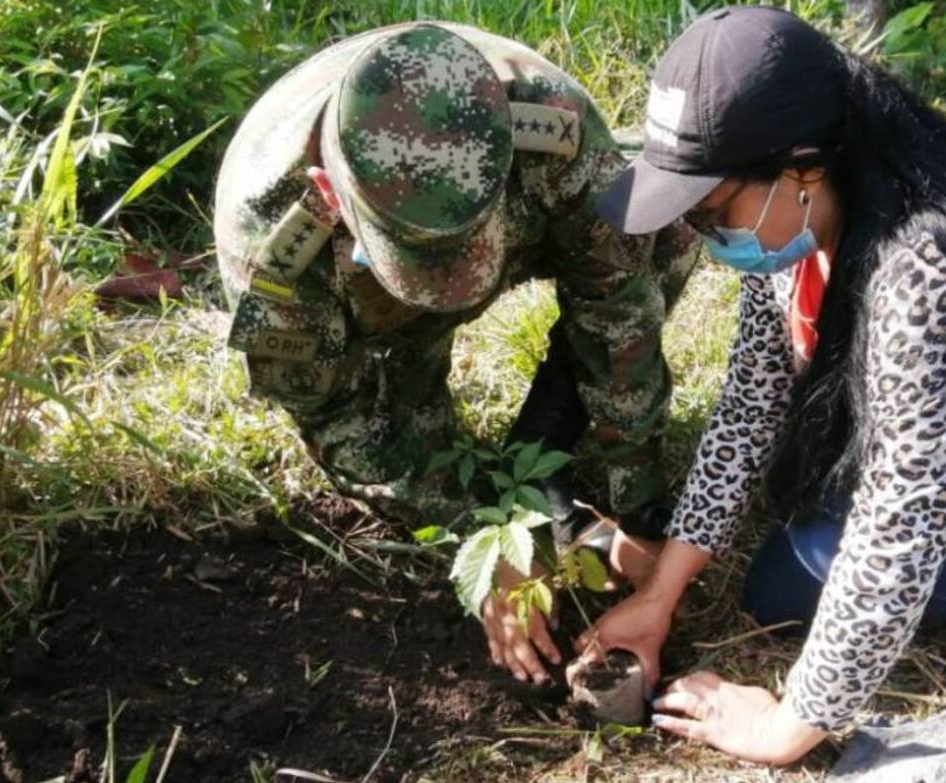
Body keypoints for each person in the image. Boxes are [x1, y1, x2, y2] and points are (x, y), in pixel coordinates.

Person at [573, 6, 946, 765]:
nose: (702, 234)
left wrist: (789, 725)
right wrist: (659, 596)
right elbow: (751, 403)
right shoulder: (800, 222)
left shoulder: (927, 265)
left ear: (803, 168)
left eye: (711, 209)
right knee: (782, 575)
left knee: (818, 552)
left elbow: (903, 516)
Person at [213, 23, 699, 684]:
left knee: (668, 234)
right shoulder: (271, 246)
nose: (456, 286)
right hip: (377, 316)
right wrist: (487, 543)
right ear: (329, 194)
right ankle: (500, 479)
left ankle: (544, 447)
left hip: (527, 224)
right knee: (406, 428)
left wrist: (636, 504)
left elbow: (617, 304)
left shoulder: (547, 124)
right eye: (425, 261)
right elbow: (337, 421)